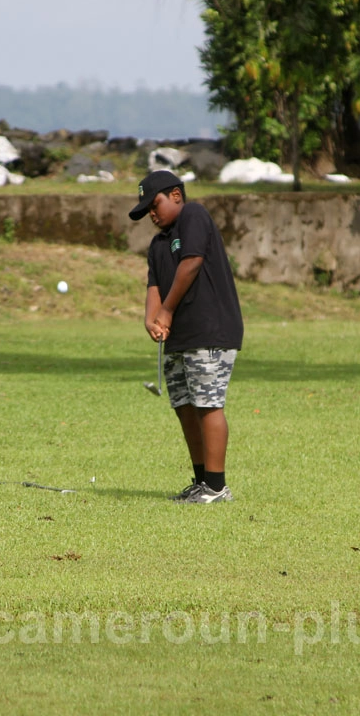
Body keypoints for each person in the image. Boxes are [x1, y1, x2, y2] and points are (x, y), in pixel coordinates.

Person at [129, 170, 244, 504]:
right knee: (185, 406)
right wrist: (152, 319)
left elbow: (192, 262)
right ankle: (200, 481)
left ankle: (217, 487)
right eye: (146, 210)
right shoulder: (158, 243)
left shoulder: (194, 216)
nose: (152, 213)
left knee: (208, 405)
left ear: (176, 195)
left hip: (210, 330)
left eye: (155, 204)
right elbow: (154, 285)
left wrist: (166, 311)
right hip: (180, 337)